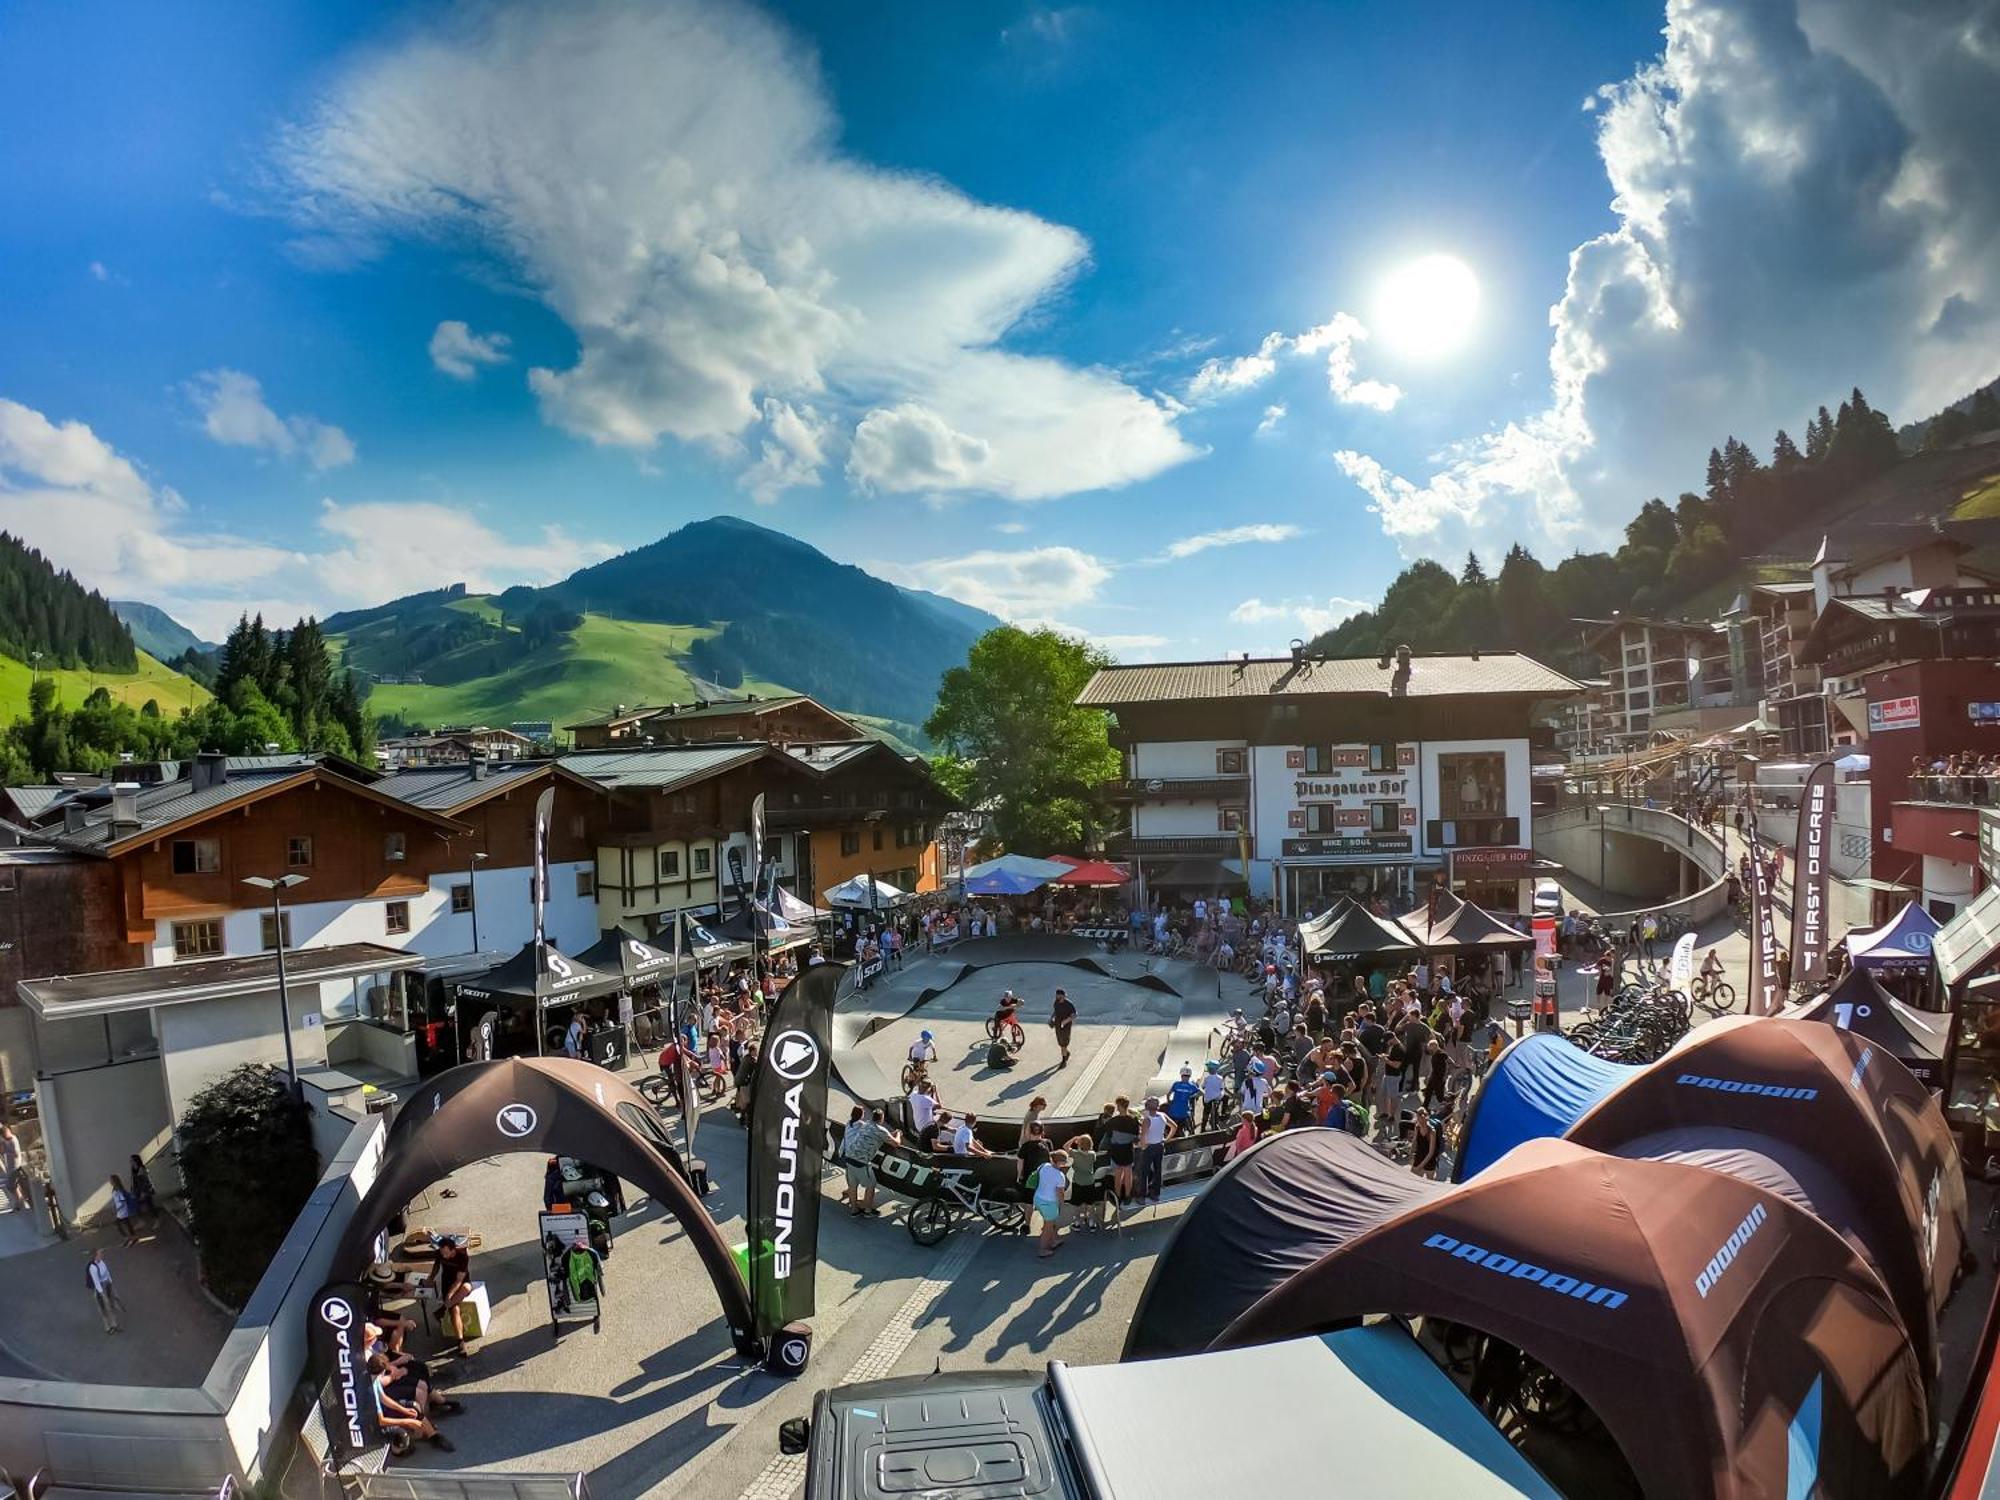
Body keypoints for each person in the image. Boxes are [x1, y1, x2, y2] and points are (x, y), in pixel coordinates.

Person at [370, 1353, 455, 1453]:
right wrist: (408, 1421)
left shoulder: (374, 1381)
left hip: (381, 1409)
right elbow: (381, 1420)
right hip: (374, 1420)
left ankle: (431, 1435)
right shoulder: (370, 1389)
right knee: (413, 1409)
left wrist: (404, 1409)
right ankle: (425, 1436)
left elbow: (383, 1398)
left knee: (413, 1409)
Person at [842, 1107, 896, 1217]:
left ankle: (854, 1210)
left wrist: (890, 1134)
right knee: (871, 1185)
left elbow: (878, 1134)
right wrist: (898, 1134)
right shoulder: (881, 1130)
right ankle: (867, 1210)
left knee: (853, 1186)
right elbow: (896, 1143)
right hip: (861, 1161)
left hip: (848, 1157)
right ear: (882, 1119)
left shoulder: (865, 1124)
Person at [431, 1233, 475, 1355]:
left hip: (460, 1283)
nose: (443, 1256)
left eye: (446, 1253)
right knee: (454, 1309)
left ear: (453, 1250)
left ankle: (443, 1308)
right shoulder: (440, 1254)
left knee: (466, 1288)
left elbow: (459, 1280)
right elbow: (436, 1266)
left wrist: (450, 1294)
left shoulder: (463, 1257)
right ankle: (460, 1341)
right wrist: (431, 1278)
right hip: (446, 1282)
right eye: (442, 1253)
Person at [1033, 1149, 1070, 1258]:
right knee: (1048, 1226)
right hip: (1049, 1203)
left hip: (1038, 1199)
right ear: (1060, 1163)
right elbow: (1060, 1193)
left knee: (1049, 1221)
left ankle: (1053, 1241)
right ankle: (1043, 1249)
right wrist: (1062, 1203)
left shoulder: (1044, 1166)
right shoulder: (1060, 1176)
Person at [1136, 1098, 1174, 1204]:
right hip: (1159, 1145)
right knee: (1158, 1170)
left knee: (1144, 1171)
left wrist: (1143, 1146)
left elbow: (1143, 1135)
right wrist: (1166, 1139)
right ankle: (1155, 1194)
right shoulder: (1163, 1116)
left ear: (1147, 1106)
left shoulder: (1147, 1119)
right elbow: (1174, 1126)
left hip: (1149, 1147)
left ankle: (1142, 1196)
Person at [86, 1248, 124, 1334]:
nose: (102, 1255)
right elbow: (96, 1283)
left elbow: (107, 1274)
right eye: (100, 1254)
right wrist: (103, 1295)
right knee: (104, 1308)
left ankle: (114, 1324)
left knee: (112, 1305)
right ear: (95, 1256)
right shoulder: (93, 1268)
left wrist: (111, 1285)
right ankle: (108, 1327)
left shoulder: (102, 1262)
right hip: (100, 1290)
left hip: (107, 1285)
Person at [1164, 1066, 1200, 1132]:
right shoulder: (1192, 1086)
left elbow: (1168, 1094)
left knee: (1170, 1126)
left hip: (1173, 1111)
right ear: (1189, 1076)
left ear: (1181, 1076)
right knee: (1184, 1125)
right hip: (1184, 1113)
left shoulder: (1176, 1084)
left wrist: (1169, 1101)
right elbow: (1201, 1093)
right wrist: (1192, 1096)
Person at [1, 1123, 27, 1212]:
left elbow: (16, 1154)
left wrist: (6, 1151)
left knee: (10, 1186)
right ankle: (18, 1204)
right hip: (10, 1166)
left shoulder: (13, 1140)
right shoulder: (6, 1139)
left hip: (15, 1166)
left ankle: (20, 1202)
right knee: (14, 1186)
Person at [1049, 987, 1077, 1068]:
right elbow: (1055, 1011)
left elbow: (1074, 1015)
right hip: (1058, 1025)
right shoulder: (1056, 1002)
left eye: (1060, 997)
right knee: (1060, 1043)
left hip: (1066, 1026)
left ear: (1064, 996)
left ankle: (1064, 1061)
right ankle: (1066, 1053)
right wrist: (1051, 1018)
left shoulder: (1069, 1004)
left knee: (1063, 1045)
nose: (1058, 998)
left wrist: (1066, 1021)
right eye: (1057, 997)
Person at [1198, 1060, 1229, 1131]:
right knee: (1226, 1097)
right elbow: (1222, 1088)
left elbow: (1202, 1087)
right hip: (1218, 1097)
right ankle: (1223, 1112)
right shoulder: (1220, 1078)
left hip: (1208, 1099)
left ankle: (1203, 1126)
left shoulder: (1206, 1079)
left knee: (1206, 1111)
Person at [109, 1174, 139, 1246]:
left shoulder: (119, 1190)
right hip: (120, 1211)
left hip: (123, 1210)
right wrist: (114, 1207)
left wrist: (117, 1209)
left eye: (111, 1180)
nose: (109, 1181)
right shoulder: (114, 1189)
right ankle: (131, 1237)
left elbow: (123, 1201)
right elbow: (116, 1200)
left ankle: (130, 1238)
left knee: (119, 1224)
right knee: (126, 1224)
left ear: (114, 1181)